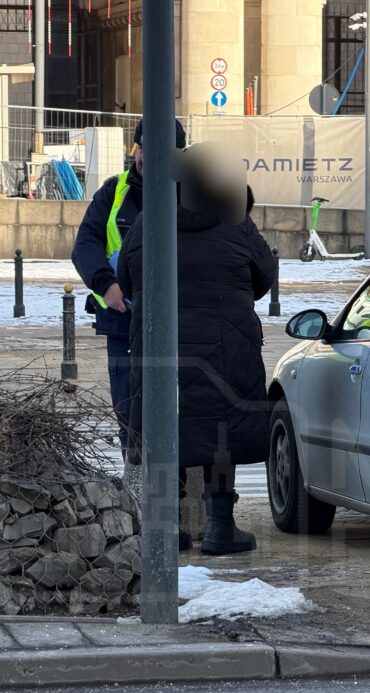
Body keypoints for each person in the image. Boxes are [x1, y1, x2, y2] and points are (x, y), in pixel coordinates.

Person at [117, 142, 276, 556]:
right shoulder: (236, 222)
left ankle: (168, 528)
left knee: (164, 428)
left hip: (158, 352)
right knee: (221, 432)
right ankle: (221, 526)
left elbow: (128, 280)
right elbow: (264, 276)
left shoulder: (146, 224)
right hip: (227, 347)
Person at [71, 118, 187, 457]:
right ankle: (137, 487)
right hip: (123, 322)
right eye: (143, 149)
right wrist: (107, 285)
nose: (147, 159)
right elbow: (85, 245)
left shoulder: (193, 193)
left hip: (178, 323)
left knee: (180, 413)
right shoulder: (114, 191)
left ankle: (179, 495)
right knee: (129, 411)